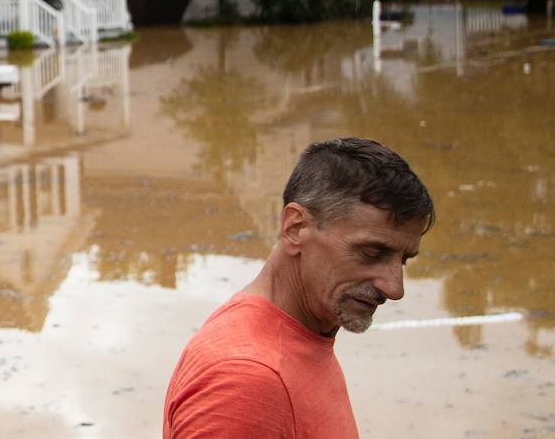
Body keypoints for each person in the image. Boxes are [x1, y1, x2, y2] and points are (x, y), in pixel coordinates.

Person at [163, 137, 434, 438]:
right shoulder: (248, 381)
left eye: (403, 260)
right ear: (295, 227)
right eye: (372, 252)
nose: (395, 289)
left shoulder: (301, 335)